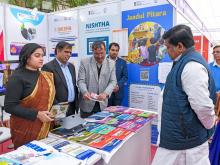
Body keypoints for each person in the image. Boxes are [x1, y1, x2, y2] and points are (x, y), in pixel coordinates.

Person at [152, 25, 216, 165]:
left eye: (168, 47)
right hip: (180, 138)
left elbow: (203, 107)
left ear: (180, 46)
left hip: (186, 142)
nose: (166, 51)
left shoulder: (192, 67)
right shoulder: (183, 61)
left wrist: (209, 126)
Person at [4, 43, 55, 149]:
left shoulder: (45, 76)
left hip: (44, 124)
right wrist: (37, 114)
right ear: (27, 57)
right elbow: (10, 106)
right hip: (24, 128)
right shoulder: (17, 77)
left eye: (42, 55)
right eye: (37, 55)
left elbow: (48, 99)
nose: (41, 59)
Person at [77, 41, 117, 118]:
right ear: (92, 52)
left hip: (102, 104)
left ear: (106, 51)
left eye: (102, 53)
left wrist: (106, 93)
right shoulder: (84, 62)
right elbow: (81, 81)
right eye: (96, 54)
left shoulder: (111, 63)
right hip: (87, 104)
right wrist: (85, 92)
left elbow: (113, 81)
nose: (99, 56)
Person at [42, 41, 79, 116]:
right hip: (58, 107)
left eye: (70, 52)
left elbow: (73, 86)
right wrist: (58, 108)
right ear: (58, 51)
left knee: (71, 127)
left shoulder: (71, 67)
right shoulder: (48, 67)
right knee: (59, 128)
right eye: (66, 52)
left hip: (72, 106)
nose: (69, 55)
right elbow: (47, 91)